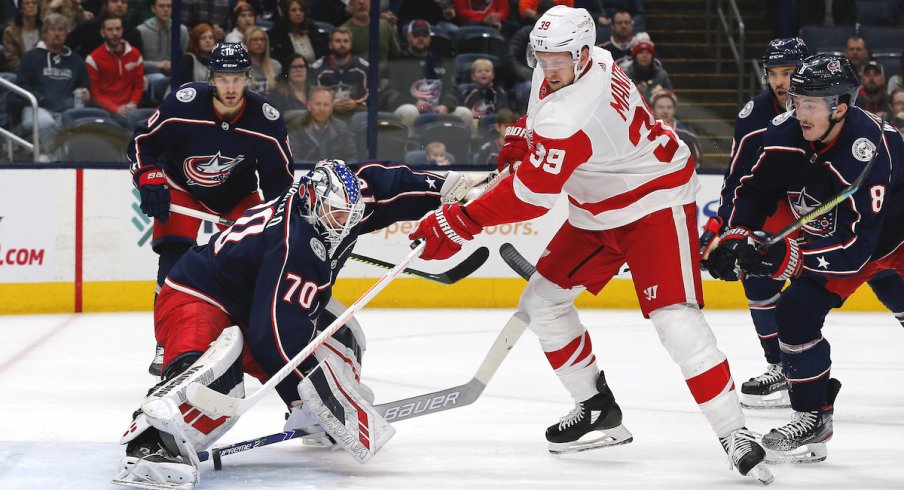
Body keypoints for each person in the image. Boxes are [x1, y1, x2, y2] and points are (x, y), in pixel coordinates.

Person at [408, 6, 773, 483]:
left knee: (674, 319)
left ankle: (734, 433)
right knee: (541, 302)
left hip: (653, 201)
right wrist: (523, 135)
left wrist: (461, 222)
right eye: (542, 56)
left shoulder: (574, 111)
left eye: (558, 58)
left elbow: (533, 196)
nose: (548, 66)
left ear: (581, 53)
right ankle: (596, 406)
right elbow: (542, 113)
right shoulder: (586, 60)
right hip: (597, 204)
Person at [112, 159, 488, 488]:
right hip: (197, 294)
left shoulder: (340, 201)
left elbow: (386, 184)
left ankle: (305, 409)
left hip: (255, 297)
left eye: (351, 214)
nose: (347, 224)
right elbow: (274, 337)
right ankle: (151, 442)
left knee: (340, 333)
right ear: (313, 205)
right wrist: (319, 395)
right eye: (338, 216)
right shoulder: (294, 243)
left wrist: (446, 190)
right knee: (211, 372)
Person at [705, 54, 904, 463]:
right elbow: (756, 190)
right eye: (797, 100)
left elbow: (854, 251)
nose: (799, 111)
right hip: (850, 238)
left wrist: (785, 258)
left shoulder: (868, 152)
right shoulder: (785, 131)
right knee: (794, 310)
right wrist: (736, 234)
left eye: (810, 104)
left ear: (841, 107)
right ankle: (813, 415)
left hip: (893, 241)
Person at [128, 42, 295, 376]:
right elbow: (143, 143)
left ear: (248, 78)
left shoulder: (266, 120)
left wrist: (277, 219)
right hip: (182, 189)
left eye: (236, 78)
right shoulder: (184, 104)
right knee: (174, 262)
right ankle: (166, 342)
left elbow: (280, 181)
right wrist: (149, 178)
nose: (230, 87)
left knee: (253, 264)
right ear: (212, 78)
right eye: (222, 78)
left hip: (238, 196)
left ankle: (255, 341)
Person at [15, 13, 89, 153]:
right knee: (47, 124)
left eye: (61, 30)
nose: (57, 34)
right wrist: (41, 98)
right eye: (53, 29)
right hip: (36, 109)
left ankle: (73, 161)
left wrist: (84, 91)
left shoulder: (75, 59)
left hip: (66, 110)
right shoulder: (31, 57)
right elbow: (22, 85)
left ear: (66, 34)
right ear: (44, 33)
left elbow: (83, 84)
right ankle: (53, 163)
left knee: (81, 124)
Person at [388, 19, 468, 129]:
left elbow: (452, 89)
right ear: (409, 38)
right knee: (409, 111)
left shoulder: (440, 61)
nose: (421, 38)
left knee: (465, 113)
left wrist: (445, 105)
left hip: (438, 108)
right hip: (409, 107)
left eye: (424, 35)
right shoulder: (398, 61)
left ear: (429, 38)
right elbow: (389, 91)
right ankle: (407, 145)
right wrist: (414, 103)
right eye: (416, 35)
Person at [86, 14, 144, 119]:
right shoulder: (93, 59)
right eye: (110, 30)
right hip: (106, 110)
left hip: (131, 109)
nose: (115, 33)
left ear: (122, 30)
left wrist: (132, 104)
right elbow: (96, 93)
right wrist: (115, 108)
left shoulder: (135, 54)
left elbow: (139, 86)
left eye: (118, 29)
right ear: (103, 33)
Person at [137, 0, 188, 105]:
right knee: (160, 79)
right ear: (153, 8)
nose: (166, 9)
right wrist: (158, 65)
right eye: (161, 6)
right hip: (150, 74)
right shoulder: (141, 31)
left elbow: (186, 57)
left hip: (175, 73)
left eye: (169, 6)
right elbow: (136, 62)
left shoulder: (182, 30)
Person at [310, 27, 368, 118]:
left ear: (351, 45)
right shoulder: (317, 68)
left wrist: (357, 103)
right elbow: (312, 93)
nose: (342, 44)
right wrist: (330, 103)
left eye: (345, 41)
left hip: (357, 111)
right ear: (330, 45)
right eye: (338, 41)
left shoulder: (363, 67)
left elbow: (372, 91)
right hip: (327, 111)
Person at [66, 0, 143, 58]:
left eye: (123, 2)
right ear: (105, 5)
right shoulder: (87, 27)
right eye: (114, 1)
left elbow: (137, 59)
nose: (119, 5)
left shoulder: (133, 32)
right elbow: (66, 46)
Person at [268, 0, 327, 66]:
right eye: (294, 10)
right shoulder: (279, 33)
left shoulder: (312, 31)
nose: (298, 13)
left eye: (301, 10)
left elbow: (321, 56)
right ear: (287, 13)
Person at [650, 89, 700, 164]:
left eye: (669, 107)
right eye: (660, 107)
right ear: (652, 110)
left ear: (674, 110)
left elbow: (695, 161)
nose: (665, 111)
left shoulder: (687, 135)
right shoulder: (646, 133)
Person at [2, 0, 41, 73]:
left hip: (44, 72)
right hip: (20, 72)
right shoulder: (10, 32)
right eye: (27, 3)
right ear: (20, 8)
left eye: (34, 3)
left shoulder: (45, 30)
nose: (31, 5)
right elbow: (12, 60)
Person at [245, 25, 280, 95]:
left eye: (262, 39)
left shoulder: (276, 66)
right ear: (246, 43)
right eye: (254, 40)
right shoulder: (240, 68)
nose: (259, 43)